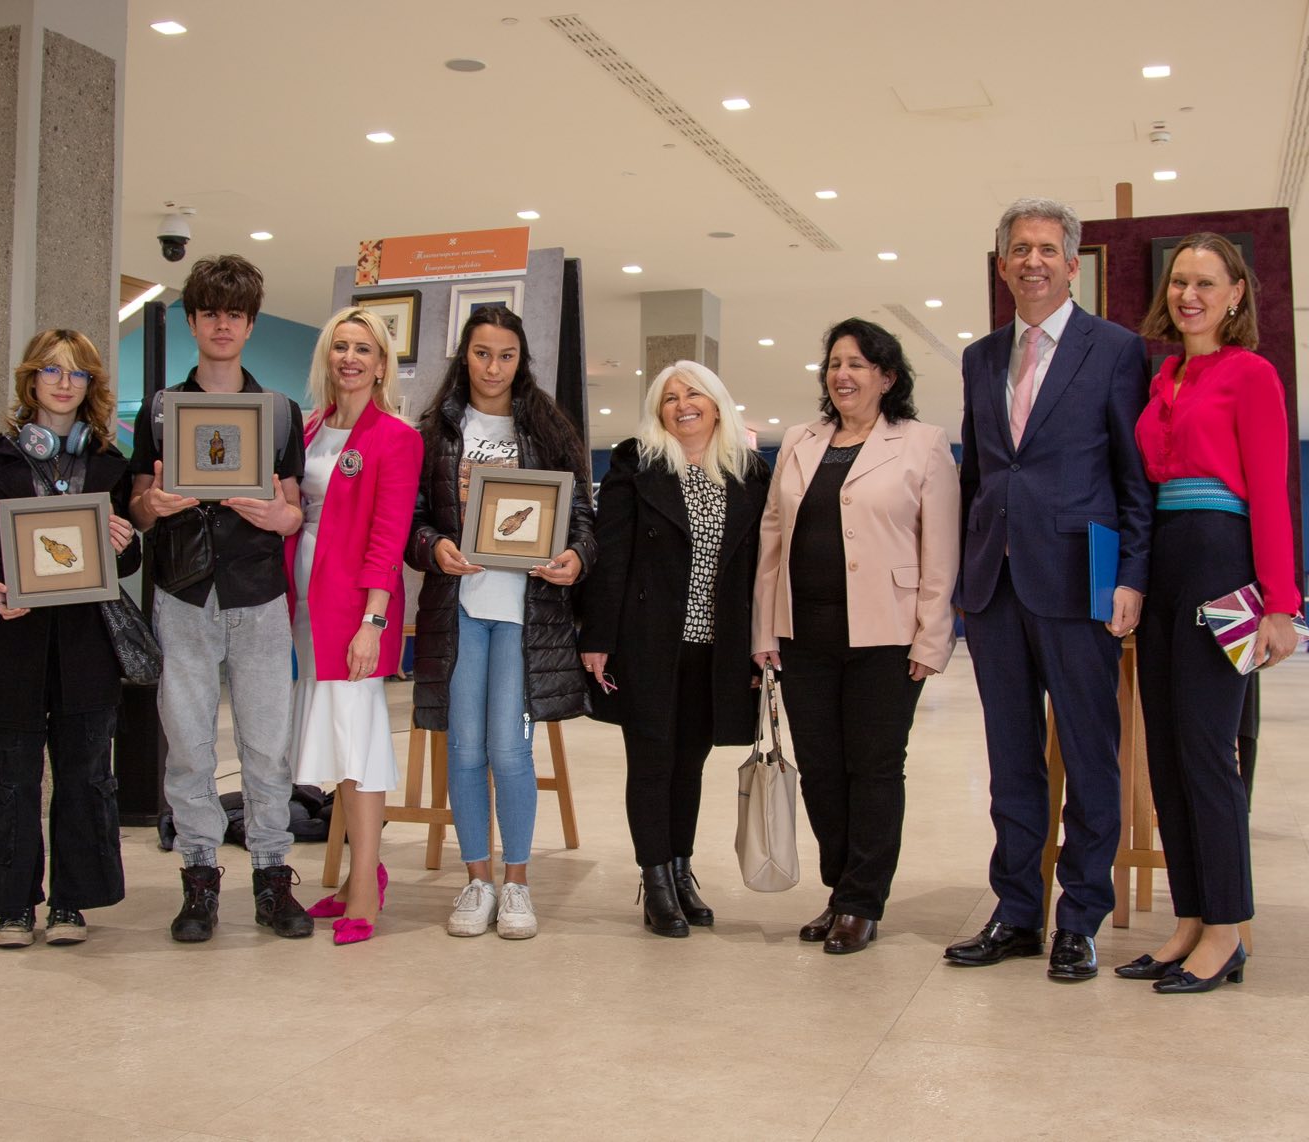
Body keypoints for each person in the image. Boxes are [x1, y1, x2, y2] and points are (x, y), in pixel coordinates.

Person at [947, 197, 1153, 982]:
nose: (1032, 261)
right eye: (1019, 249)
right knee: (1011, 761)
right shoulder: (980, 358)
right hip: (994, 586)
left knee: (1091, 757)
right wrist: (964, 574)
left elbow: (1134, 477)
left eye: (1046, 249)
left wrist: (1131, 574)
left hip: (1079, 581)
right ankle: (1017, 912)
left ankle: (1080, 918)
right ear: (1002, 266)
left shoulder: (1116, 350)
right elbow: (978, 476)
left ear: (1072, 265)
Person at [1120, 233, 1299, 993]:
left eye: (1204, 283)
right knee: (1165, 754)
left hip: (1220, 559)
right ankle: (1190, 918)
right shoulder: (1164, 378)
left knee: (1206, 750)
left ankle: (1226, 930)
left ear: (1236, 295)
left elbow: (1270, 491)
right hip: (1163, 562)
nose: (1188, 295)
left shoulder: (1251, 374)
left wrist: (1280, 604)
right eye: (1179, 282)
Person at [751, 318, 961, 956]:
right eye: (835, 364)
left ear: (887, 377)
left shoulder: (923, 443)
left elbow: (940, 551)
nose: (842, 375)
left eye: (858, 365)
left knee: (873, 768)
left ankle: (862, 902)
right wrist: (764, 628)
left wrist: (931, 638)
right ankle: (839, 889)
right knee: (820, 770)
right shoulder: (800, 440)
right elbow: (771, 539)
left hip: (887, 636)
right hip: (804, 635)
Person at [129, 254, 314, 943]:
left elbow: (293, 509)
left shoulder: (280, 413)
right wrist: (154, 505)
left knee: (267, 747)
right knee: (188, 746)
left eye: (234, 314)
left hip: (258, 593)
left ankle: (272, 875)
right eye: (209, 313)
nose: (222, 325)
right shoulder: (159, 411)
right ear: (193, 321)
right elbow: (138, 504)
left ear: (251, 324)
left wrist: (280, 516)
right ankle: (199, 877)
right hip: (182, 592)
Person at [0, 329, 140, 947]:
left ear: (90, 386)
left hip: (85, 648)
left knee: (85, 778)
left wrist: (125, 544)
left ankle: (72, 903)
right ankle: (13, 905)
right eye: (51, 370)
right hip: (10, 645)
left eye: (77, 373)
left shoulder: (109, 463)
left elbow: (128, 561)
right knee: (11, 780)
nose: (63, 383)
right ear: (31, 379)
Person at [408, 306, 596, 940]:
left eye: (506, 355)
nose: (493, 367)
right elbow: (413, 522)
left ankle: (517, 883)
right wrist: (435, 546)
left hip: (526, 615)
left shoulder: (548, 429)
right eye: (482, 353)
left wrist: (577, 557)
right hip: (458, 612)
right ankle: (476, 880)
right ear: (465, 356)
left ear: (522, 360)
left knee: (510, 751)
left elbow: (582, 519)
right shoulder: (435, 431)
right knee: (464, 750)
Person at [578, 361, 770, 937]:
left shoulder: (749, 473)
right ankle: (656, 883)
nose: (682, 405)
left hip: (718, 649)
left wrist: (762, 646)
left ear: (716, 402)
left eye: (693, 394)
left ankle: (682, 874)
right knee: (651, 763)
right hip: (647, 642)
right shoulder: (637, 463)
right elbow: (612, 554)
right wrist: (598, 637)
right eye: (669, 398)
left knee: (690, 765)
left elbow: (760, 569)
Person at [282, 308, 423, 946]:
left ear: (382, 364)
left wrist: (372, 621)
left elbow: (388, 539)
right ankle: (353, 876)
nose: (350, 358)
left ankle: (366, 882)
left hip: (355, 610)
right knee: (338, 744)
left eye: (363, 349)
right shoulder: (309, 428)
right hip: (306, 606)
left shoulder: (396, 437)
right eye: (340, 346)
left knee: (359, 743)